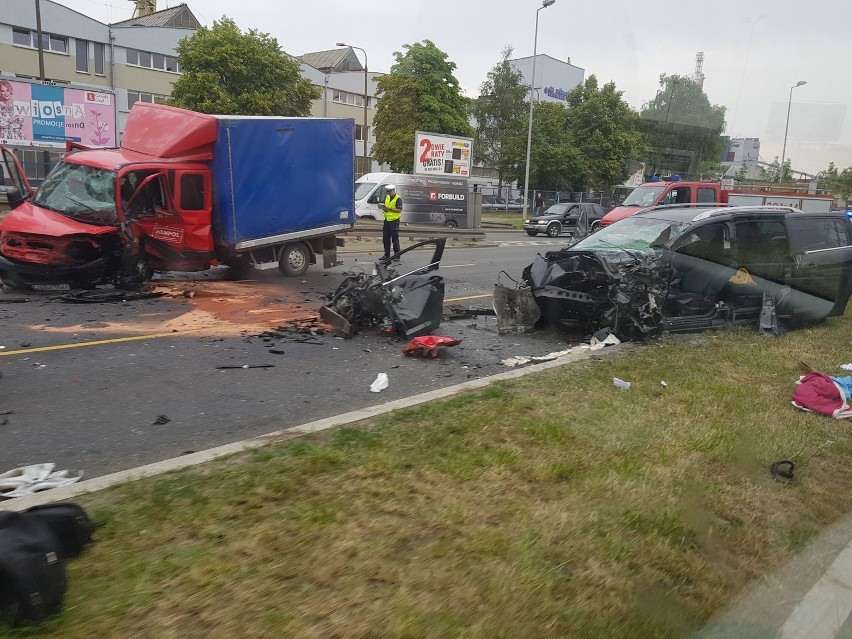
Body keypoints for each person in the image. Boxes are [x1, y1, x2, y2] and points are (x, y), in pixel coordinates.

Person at [381, 184, 402, 260]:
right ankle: (387, 255)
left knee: (394, 239)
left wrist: (389, 208)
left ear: (393, 190)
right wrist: (384, 208)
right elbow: (384, 205)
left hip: (394, 221)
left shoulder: (398, 199)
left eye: (389, 191)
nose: (388, 193)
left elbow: (399, 210)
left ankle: (397, 255)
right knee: (385, 239)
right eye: (387, 192)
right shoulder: (387, 197)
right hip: (387, 220)